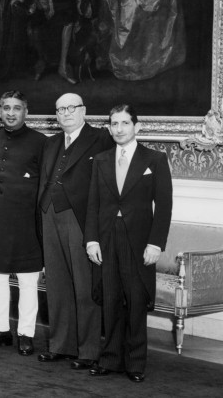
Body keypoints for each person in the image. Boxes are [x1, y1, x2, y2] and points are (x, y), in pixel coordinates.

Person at [86, 104, 172, 383]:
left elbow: (165, 205)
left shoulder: (155, 159)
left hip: (139, 242)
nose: (119, 129)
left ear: (137, 126)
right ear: (109, 128)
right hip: (107, 238)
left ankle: (135, 363)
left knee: (136, 301)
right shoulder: (100, 160)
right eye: (114, 123)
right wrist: (91, 240)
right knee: (110, 300)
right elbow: (93, 204)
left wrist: (156, 244)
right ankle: (110, 359)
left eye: (124, 123)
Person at [37, 93, 113, 368]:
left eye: (71, 108)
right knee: (57, 285)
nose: (65, 113)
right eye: (60, 109)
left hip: (80, 219)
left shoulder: (101, 138)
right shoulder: (51, 142)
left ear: (84, 110)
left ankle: (88, 351)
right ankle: (60, 345)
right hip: (49, 214)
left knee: (84, 286)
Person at [0, 91, 46, 356]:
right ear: (0, 110)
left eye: (17, 108)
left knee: (28, 281)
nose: (11, 113)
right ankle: (1, 330)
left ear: (26, 111)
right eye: (6, 107)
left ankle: (26, 334)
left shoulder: (40, 142)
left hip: (26, 221)